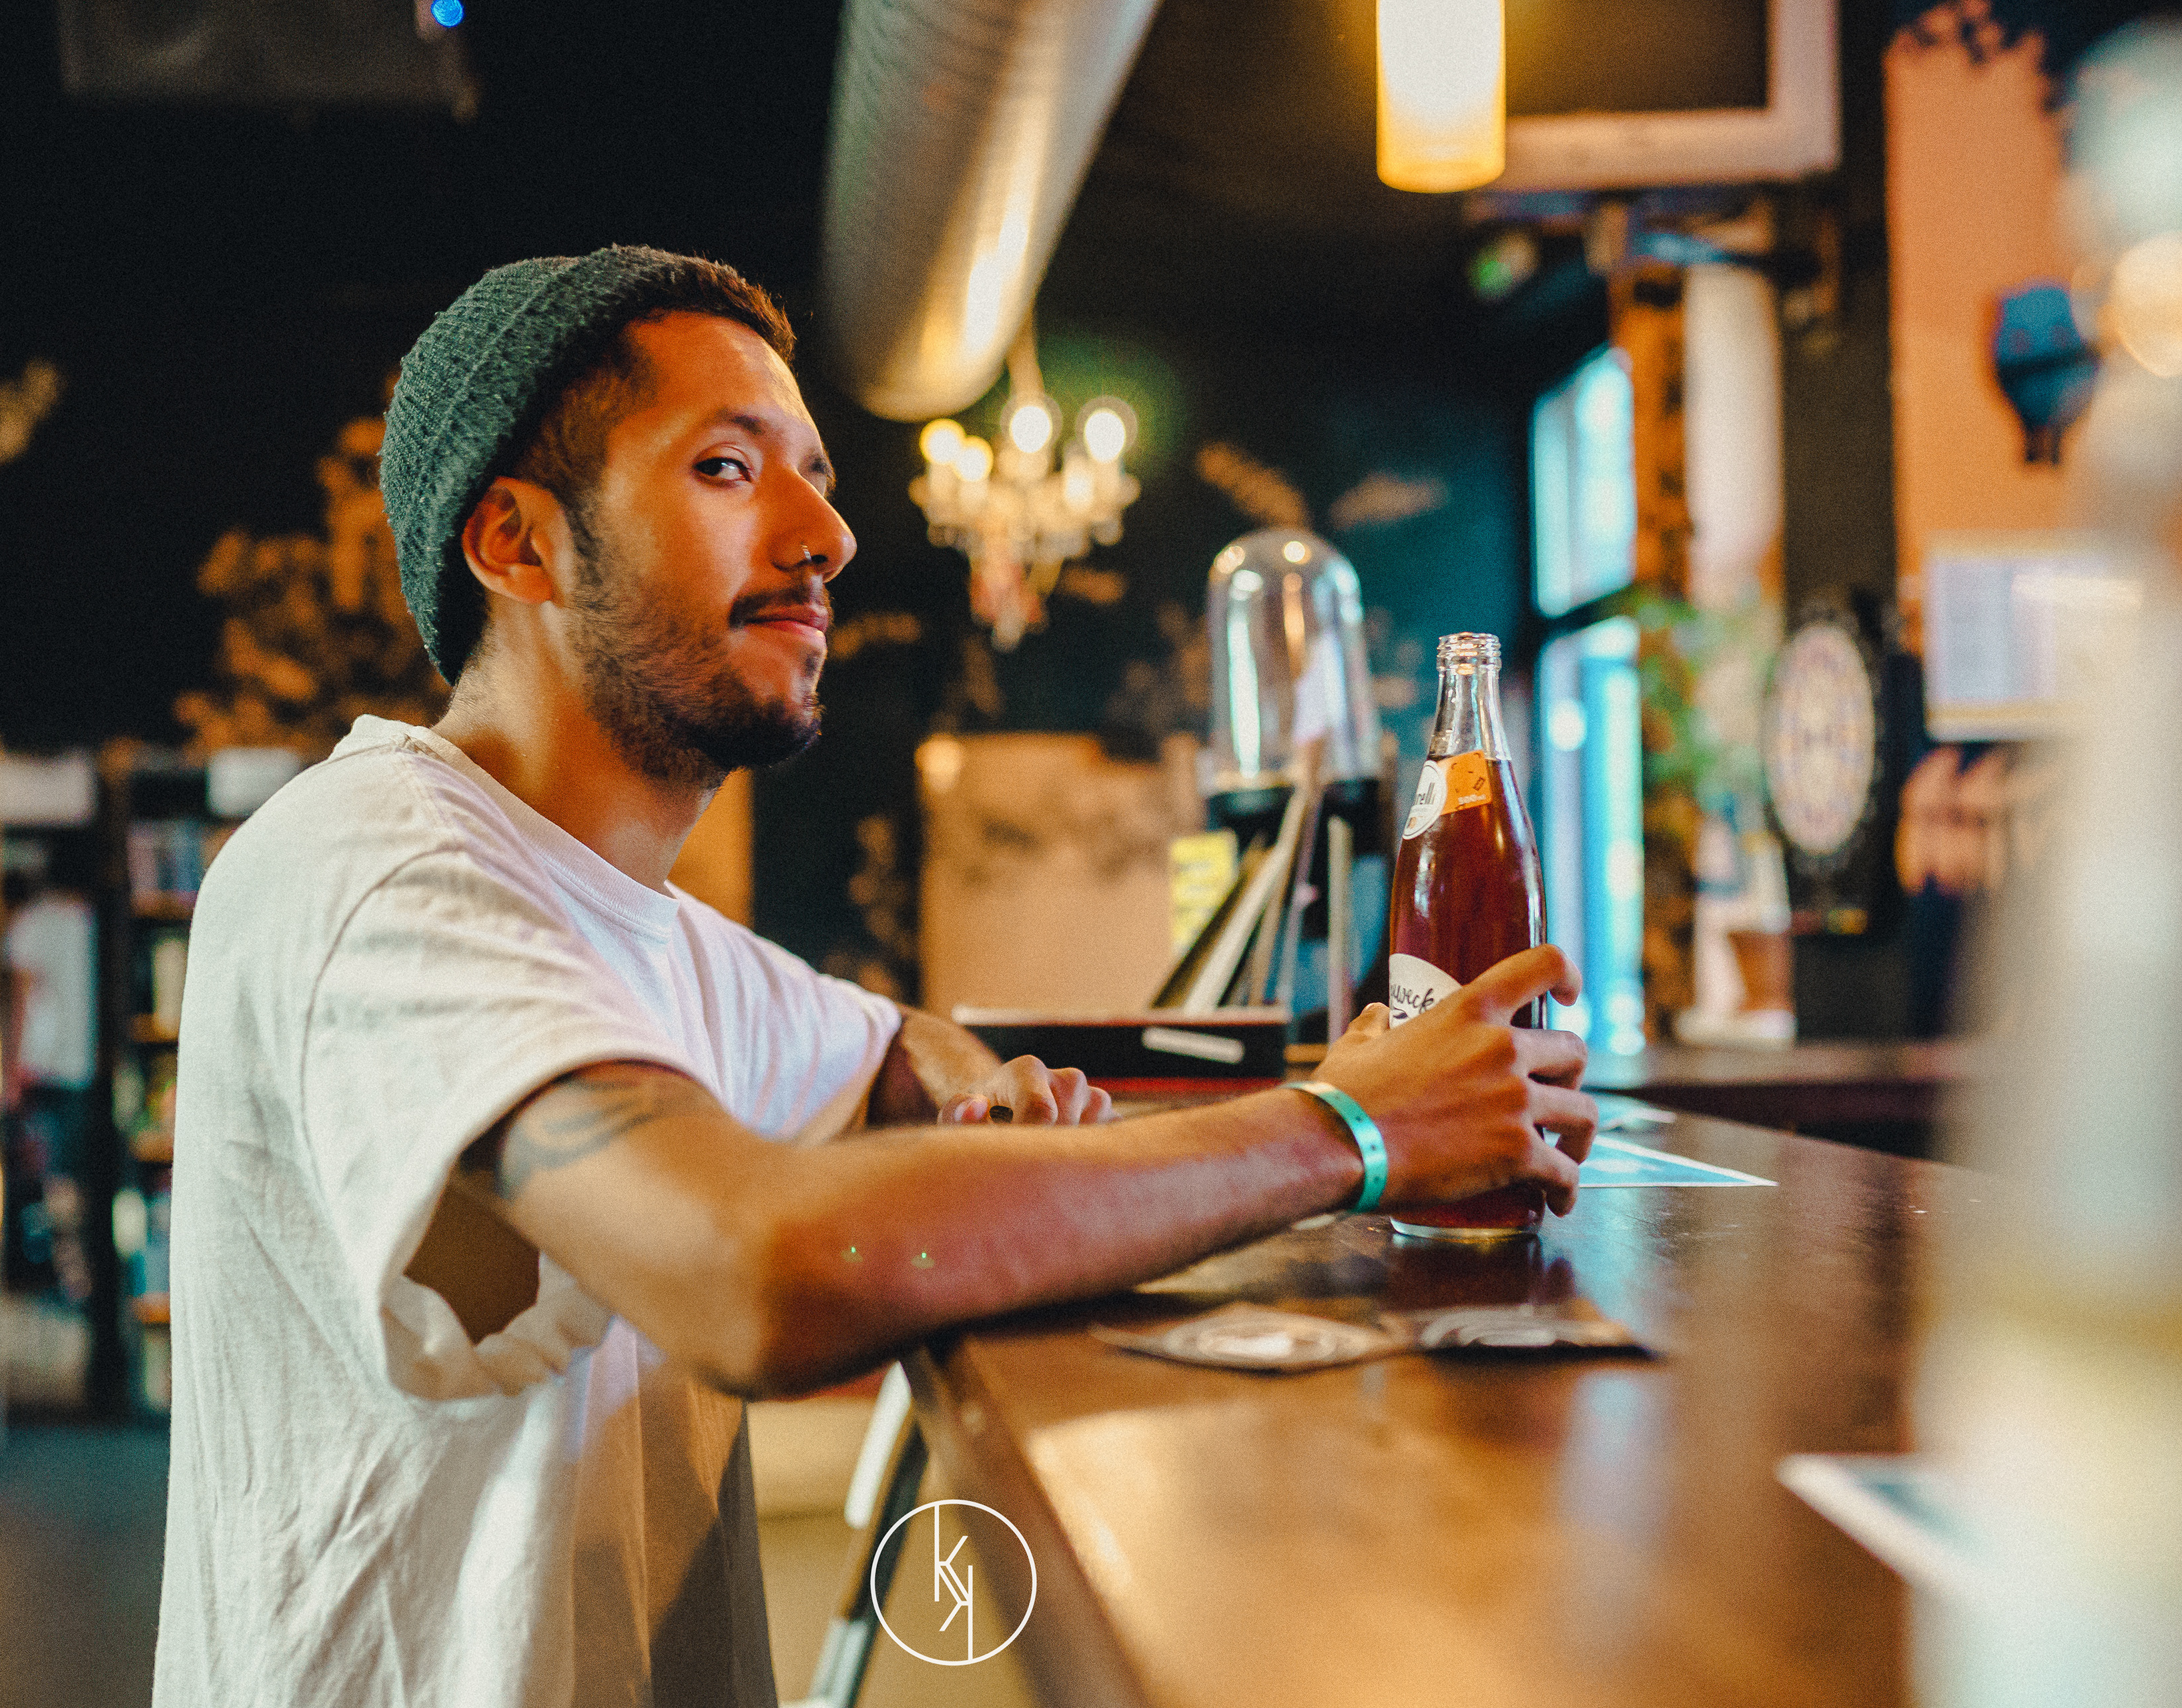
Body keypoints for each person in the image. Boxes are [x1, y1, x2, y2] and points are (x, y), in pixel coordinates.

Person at [151, 246, 1596, 1708]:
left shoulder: (649, 930)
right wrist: (1351, 1128)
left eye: (819, 477)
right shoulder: (381, 866)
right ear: (521, 546)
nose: (829, 535)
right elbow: (755, 1270)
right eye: (729, 468)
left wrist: (984, 1097)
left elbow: (893, 1043)